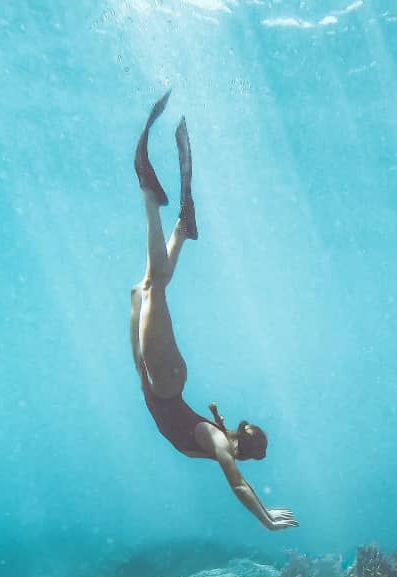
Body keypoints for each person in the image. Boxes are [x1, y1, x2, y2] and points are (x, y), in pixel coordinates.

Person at [130, 92, 297, 532]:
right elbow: (238, 484)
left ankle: (183, 228)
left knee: (153, 288)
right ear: (240, 448)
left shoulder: (214, 437)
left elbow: (149, 396)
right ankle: (151, 198)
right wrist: (265, 520)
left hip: (163, 380)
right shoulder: (217, 443)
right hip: (165, 379)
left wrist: (133, 328)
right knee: (155, 286)